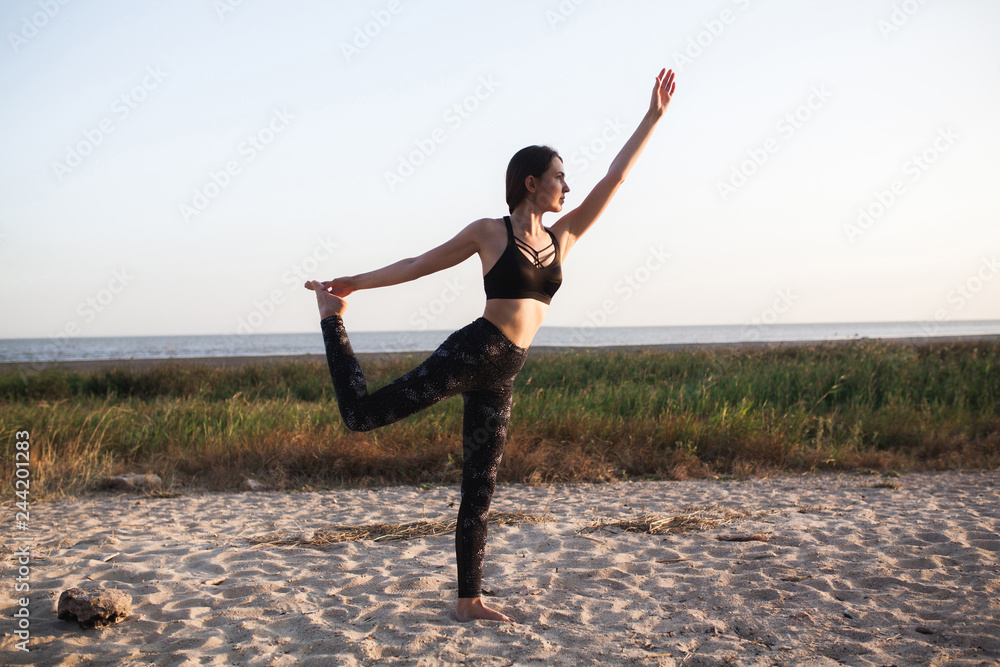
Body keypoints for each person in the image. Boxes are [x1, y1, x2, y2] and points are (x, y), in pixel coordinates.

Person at [305, 67, 677, 622]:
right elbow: (417, 264)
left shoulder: (562, 238)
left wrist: (652, 117)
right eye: (558, 176)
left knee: (480, 485)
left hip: (506, 370)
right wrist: (352, 284)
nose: (567, 187)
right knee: (361, 417)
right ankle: (332, 321)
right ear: (531, 182)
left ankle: (468, 599)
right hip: (473, 352)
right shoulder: (489, 232)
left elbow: (613, 180)